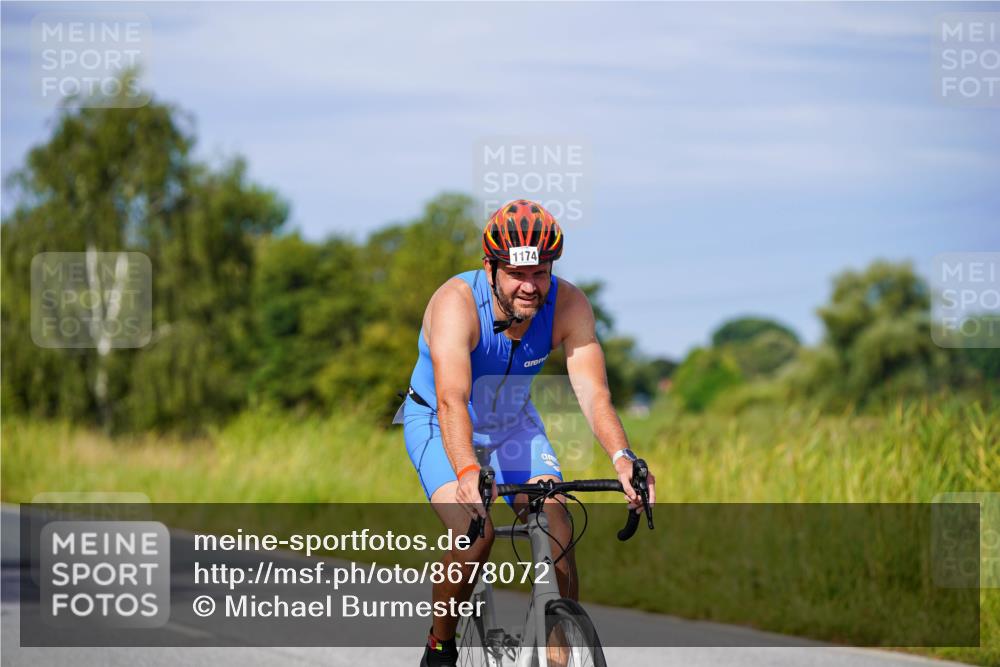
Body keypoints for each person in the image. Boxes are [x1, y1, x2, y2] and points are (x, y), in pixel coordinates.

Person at [401, 199, 656, 667]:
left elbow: (594, 394)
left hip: (513, 422)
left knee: (557, 524)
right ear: (490, 267)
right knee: (474, 533)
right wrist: (466, 470)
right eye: (517, 274)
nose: (530, 286)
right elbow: (451, 399)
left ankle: (559, 655)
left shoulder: (569, 304)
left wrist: (623, 458)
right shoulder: (456, 303)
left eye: (540, 273)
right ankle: (440, 645)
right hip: (440, 422)